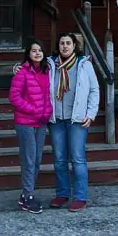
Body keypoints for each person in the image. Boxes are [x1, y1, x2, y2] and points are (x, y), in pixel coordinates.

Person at [47, 32, 100, 212]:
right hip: (56, 120)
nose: (65, 46)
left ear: (74, 46)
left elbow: (94, 90)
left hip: (77, 120)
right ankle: (62, 194)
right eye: (62, 43)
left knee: (77, 158)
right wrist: (17, 67)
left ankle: (80, 197)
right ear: (58, 46)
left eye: (68, 43)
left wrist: (91, 114)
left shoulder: (83, 65)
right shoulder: (51, 65)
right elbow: (29, 67)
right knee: (59, 159)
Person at [8, 41, 52, 214]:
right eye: (33, 50)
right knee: (29, 159)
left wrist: (45, 112)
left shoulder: (48, 71)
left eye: (40, 50)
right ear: (28, 54)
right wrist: (33, 109)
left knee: (37, 160)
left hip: (41, 123)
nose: (37, 53)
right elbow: (14, 97)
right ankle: (28, 196)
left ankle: (26, 194)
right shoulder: (22, 73)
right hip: (25, 123)